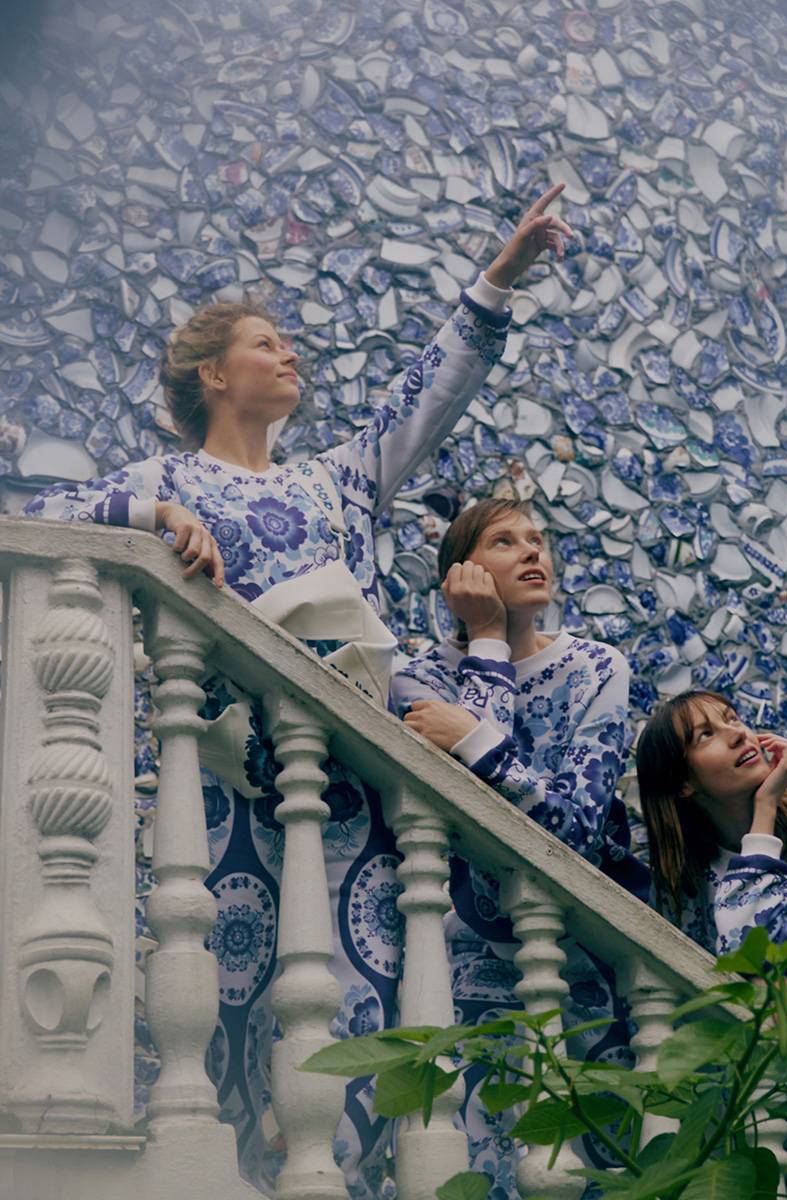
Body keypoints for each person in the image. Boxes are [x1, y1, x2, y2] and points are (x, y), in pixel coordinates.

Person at [24, 185, 573, 1199]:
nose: (290, 356)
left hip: (357, 788)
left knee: (363, 1006)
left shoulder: (337, 482)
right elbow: (47, 514)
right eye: (266, 344)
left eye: (288, 344)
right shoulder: (167, 479)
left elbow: (429, 395)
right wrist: (152, 516)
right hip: (228, 790)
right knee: (229, 1002)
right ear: (213, 373)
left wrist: (501, 276)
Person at [391, 497, 648, 1197]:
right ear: (459, 575)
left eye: (537, 539)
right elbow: (479, 815)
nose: (534, 551)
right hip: (465, 966)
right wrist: (487, 641)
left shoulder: (597, 667)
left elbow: (576, 830)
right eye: (504, 541)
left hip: (583, 959)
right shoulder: (418, 679)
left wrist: (472, 739)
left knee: (590, 1164)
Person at [634, 689, 787, 965]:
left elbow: (753, 953)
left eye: (732, 719)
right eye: (705, 735)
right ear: (682, 783)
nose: (738, 733)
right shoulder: (680, 881)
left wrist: (766, 805)